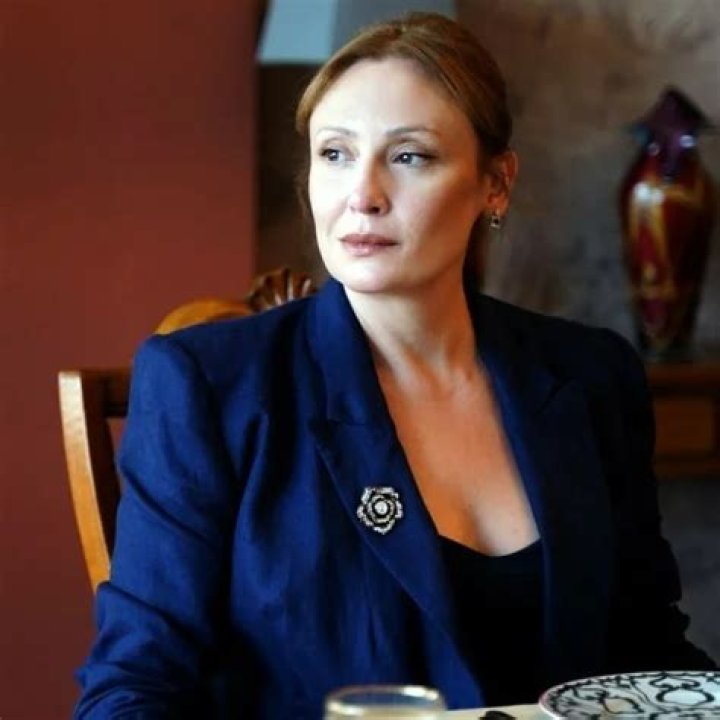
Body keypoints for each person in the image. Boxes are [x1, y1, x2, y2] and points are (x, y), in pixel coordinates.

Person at [75, 12, 715, 718]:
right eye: (335, 154)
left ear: (495, 183)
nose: (363, 194)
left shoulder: (592, 376)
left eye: (410, 157)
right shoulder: (207, 386)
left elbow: (651, 657)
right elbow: (133, 690)